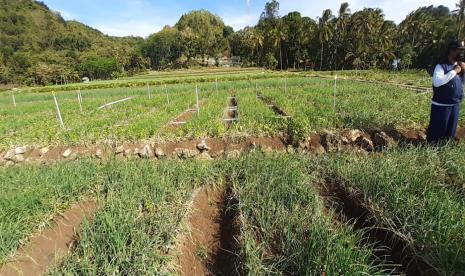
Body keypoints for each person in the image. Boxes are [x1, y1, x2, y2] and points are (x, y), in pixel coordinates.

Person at [427, 41, 465, 144]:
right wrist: (454, 71)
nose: (461, 53)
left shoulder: (460, 66)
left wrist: (463, 70)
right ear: (451, 51)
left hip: (455, 105)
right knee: (437, 132)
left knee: (450, 132)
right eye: (459, 50)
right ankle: (431, 150)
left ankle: (444, 150)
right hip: (441, 106)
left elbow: (462, 83)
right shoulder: (441, 66)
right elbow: (437, 82)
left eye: (462, 50)